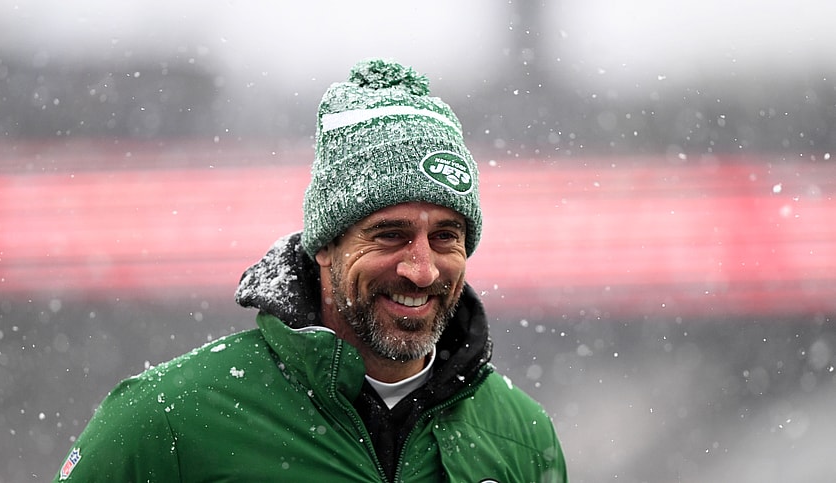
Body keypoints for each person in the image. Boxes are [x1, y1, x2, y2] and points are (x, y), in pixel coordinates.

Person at [54, 58, 567, 482]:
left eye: (445, 237)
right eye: (390, 235)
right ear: (324, 245)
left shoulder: (520, 437)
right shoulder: (170, 418)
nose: (422, 269)